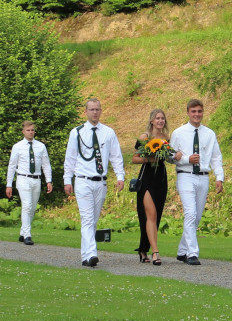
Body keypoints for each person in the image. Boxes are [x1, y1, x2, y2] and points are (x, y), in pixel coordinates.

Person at [63, 99, 125, 267]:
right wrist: (67, 179)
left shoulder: (108, 132)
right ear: (86, 112)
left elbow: (116, 156)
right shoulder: (76, 133)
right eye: (91, 109)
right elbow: (70, 158)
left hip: (101, 182)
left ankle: (85, 256)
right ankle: (91, 254)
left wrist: (120, 176)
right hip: (83, 180)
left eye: (97, 109)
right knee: (87, 218)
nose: (95, 112)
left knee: (93, 220)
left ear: (101, 111)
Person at [171, 99, 224, 266]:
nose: (196, 114)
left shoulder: (209, 134)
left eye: (199, 111)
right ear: (188, 112)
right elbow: (170, 156)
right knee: (190, 213)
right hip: (185, 175)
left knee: (197, 216)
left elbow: (216, 157)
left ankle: (182, 251)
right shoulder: (178, 133)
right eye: (193, 111)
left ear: (203, 112)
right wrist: (186, 159)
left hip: (203, 176)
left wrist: (219, 177)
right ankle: (192, 253)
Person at [132, 109, 182, 265]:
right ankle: (155, 252)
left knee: (156, 216)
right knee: (150, 215)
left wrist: (176, 156)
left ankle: (143, 249)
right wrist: (149, 159)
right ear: (152, 120)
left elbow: (168, 158)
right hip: (147, 177)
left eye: (162, 118)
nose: (160, 121)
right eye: (157, 118)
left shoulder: (167, 139)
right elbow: (134, 158)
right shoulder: (144, 137)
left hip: (161, 177)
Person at [6, 121, 52, 245]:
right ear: (23, 131)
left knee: (31, 208)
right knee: (27, 205)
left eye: (32, 130)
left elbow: (46, 164)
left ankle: (22, 232)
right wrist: (9, 184)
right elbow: (12, 166)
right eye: (28, 130)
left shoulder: (40, 146)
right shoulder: (17, 146)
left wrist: (49, 180)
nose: (31, 132)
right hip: (23, 178)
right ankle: (27, 235)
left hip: (36, 179)